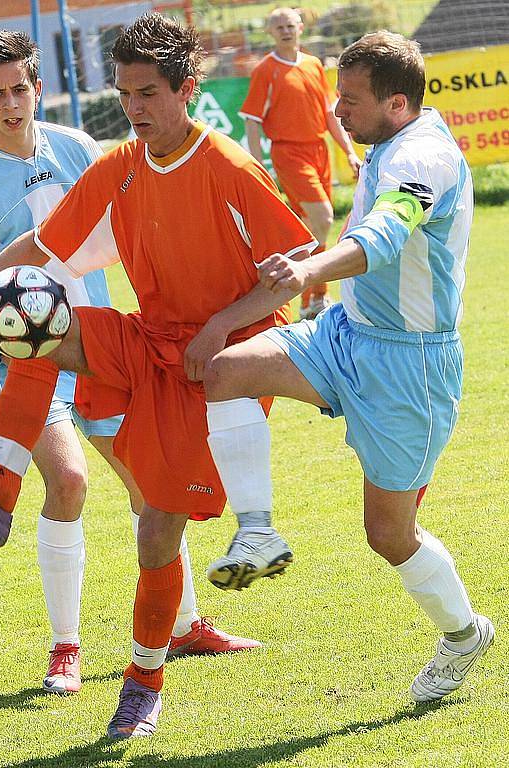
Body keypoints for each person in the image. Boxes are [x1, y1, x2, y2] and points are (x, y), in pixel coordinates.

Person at [0, 27, 260, 699]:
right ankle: (65, 647)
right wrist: (6, 345)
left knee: (153, 491)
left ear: (36, 86)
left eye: (20, 89)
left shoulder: (80, 149)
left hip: (101, 349)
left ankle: (183, 626)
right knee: (68, 482)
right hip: (24, 364)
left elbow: (124, 232)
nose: (11, 105)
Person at [202, 31, 494, 703]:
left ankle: (462, 634)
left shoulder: (421, 157)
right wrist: (319, 277)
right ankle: (256, 533)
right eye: (337, 93)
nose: (337, 109)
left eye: (351, 99)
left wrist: (307, 267)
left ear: (397, 103)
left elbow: (387, 234)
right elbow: (366, 231)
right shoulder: (389, 140)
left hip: (408, 368)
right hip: (342, 334)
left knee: (387, 535)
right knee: (224, 372)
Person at [240, 7, 361, 320]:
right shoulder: (266, 70)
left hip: (319, 151)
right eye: (278, 26)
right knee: (322, 217)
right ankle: (311, 294)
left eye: (290, 25)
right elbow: (252, 121)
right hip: (289, 154)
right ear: (270, 32)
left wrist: (348, 151)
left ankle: (310, 298)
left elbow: (328, 114)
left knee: (312, 225)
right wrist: (259, 166)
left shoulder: (313, 64)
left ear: (301, 28)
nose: (285, 30)